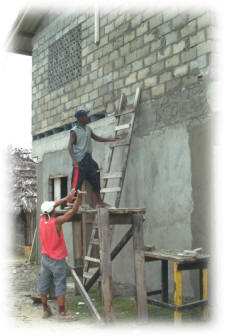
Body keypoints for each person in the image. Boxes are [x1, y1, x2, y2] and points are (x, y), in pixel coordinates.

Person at [37, 188, 84, 320]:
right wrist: (78, 199)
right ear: (53, 211)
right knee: (60, 284)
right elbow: (72, 212)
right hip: (57, 260)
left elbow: (53, 205)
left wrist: (67, 197)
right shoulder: (57, 222)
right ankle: (62, 312)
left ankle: (46, 310)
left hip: (45, 259)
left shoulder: (42, 220)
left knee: (43, 285)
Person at [68, 109, 119, 206]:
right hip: (80, 161)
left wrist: (111, 139)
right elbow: (69, 146)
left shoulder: (88, 129)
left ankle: (99, 202)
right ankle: (71, 203)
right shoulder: (74, 131)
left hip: (88, 158)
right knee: (76, 184)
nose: (88, 117)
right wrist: (74, 160)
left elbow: (97, 138)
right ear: (81, 118)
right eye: (86, 116)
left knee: (95, 178)